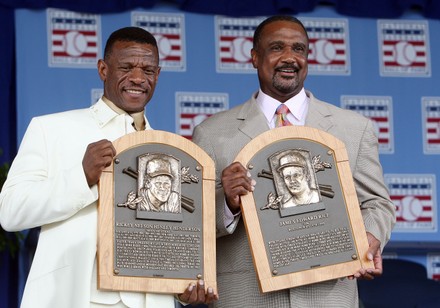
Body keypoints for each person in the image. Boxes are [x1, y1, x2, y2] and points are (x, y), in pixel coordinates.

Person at [0, 26, 217, 308]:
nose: (138, 78)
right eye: (126, 67)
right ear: (103, 69)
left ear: (158, 74)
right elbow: (10, 212)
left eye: (148, 70)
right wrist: (82, 178)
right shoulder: (51, 129)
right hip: (75, 298)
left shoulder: (173, 153)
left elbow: (168, 238)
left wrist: (181, 288)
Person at [192, 15, 395, 307]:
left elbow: (378, 204)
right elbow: (194, 225)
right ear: (254, 57)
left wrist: (369, 235)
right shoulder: (212, 133)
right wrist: (227, 202)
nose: (289, 58)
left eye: (298, 49)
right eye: (277, 48)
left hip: (328, 296)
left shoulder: (354, 128)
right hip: (247, 297)